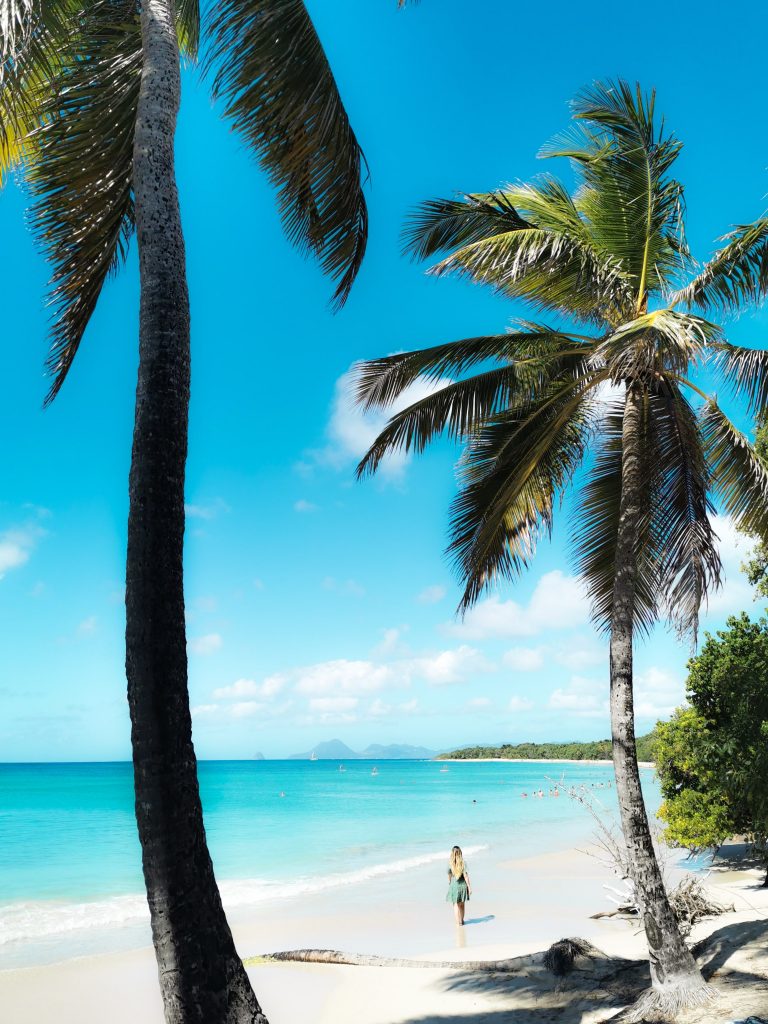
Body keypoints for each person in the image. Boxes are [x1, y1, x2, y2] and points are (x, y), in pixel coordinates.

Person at [446, 845, 471, 926]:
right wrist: (469, 887)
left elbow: (449, 875)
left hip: (454, 886)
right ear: (460, 853)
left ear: (452, 854)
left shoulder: (450, 864)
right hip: (463, 886)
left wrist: (450, 882)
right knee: (462, 905)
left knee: (455, 905)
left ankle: (458, 922)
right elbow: (466, 876)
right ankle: (462, 920)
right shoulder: (463, 863)